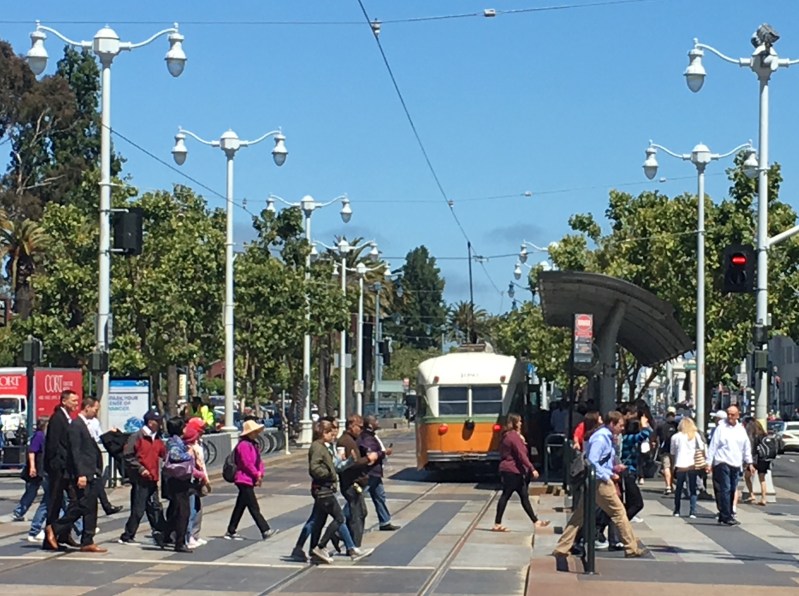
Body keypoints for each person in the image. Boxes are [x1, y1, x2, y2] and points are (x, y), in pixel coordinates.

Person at [552, 411, 647, 560]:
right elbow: (592, 461)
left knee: (579, 516)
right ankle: (631, 548)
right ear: (612, 424)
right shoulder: (601, 439)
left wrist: (613, 468)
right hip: (600, 482)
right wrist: (607, 475)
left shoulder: (605, 438)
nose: (622, 428)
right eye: (620, 425)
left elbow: (600, 461)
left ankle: (562, 547)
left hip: (596, 480)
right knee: (619, 513)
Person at [45, 396, 107, 553]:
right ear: (87, 408)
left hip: (91, 472)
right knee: (81, 505)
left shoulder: (84, 424)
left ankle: (87, 540)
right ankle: (55, 528)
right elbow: (76, 452)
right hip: (82, 473)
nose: (96, 412)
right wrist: (81, 474)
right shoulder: (75, 425)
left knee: (91, 506)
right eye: (95, 409)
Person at [307, 420, 372, 563]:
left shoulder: (326, 447)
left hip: (327, 489)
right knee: (339, 518)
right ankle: (320, 547)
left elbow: (336, 466)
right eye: (331, 432)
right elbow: (314, 468)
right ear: (324, 433)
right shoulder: (318, 448)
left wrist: (349, 461)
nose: (334, 435)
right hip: (323, 489)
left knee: (319, 521)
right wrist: (329, 474)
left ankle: (319, 550)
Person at [492, 413, 549, 532]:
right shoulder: (513, 437)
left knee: (524, 496)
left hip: (513, 470)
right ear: (514, 423)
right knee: (506, 495)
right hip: (512, 470)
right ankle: (497, 523)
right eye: (519, 421)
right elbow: (521, 455)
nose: (521, 423)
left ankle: (535, 521)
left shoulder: (509, 435)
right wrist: (532, 468)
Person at [225, 419, 279, 541]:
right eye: (254, 431)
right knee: (253, 506)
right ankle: (265, 529)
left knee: (241, 506)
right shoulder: (243, 445)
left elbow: (259, 461)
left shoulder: (254, 444)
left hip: (249, 478)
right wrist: (256, 474)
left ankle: (231, 529)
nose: (256, 433)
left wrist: (260, 473)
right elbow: (246, 463)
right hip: (243, 479)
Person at [119, 410, 166, 545]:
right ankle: (128, 535)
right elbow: (128, 455)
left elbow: (163, 453)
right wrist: (140, 469)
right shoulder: (137, 436)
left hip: (153, 477)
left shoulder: (157, 437)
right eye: (157, 421)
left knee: (155, 506)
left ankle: (159, 532)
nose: (160, 423)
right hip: (141, 478)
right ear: (150, 422)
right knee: (139, 508)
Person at [43, 390, 80, 550]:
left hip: (67, 467)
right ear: (64, 401)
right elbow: (52, 444)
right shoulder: (57, 418)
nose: (76, 404)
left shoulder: (67, 418)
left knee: (74, 500)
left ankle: (64, 533)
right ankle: (50, 536)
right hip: (59, 468)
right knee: (55, 501)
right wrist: (54, 465)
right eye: (73, 401)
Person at [706, 405, 754, 526]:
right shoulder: (721, 428)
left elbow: (746, 447)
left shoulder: (740, 429)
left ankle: (725, 514)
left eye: (733, 414)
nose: (730, 417)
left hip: (736, 463)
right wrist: (708, 463)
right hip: (722, 461)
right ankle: (726, 515)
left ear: (738, 415)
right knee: (725, 488)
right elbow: (713, 446)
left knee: (732, 489)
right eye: (728, 414)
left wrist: (749, 462)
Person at [336, 414, 378, 548]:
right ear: (351, 426)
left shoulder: (352, 440)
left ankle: (341, 535)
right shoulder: (345, 441)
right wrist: (368, 459)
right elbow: (349, 464)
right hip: (350, 482)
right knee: (357, 515)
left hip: (356, 482)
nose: (361, 430)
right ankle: (353, 545)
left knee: (359, 512)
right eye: (359, 427)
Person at [358, 415, 399, 531]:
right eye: (376, 421)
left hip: (375, 472)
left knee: (379, 496)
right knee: (358, 497)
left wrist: (383, 452)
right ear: (370, 424)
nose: (378, 422)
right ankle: (343, 520)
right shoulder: (367, 437)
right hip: (370, 473)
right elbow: (372, 454)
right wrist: (384, 453)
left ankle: (385, 522)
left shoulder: (371, 436)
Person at [162, 416, 193, 553]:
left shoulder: (177, 441)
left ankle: (165, 534)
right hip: (177, 479)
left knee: (176, 510)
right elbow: (175, 456)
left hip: (180, 478)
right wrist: (189, 454)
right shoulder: (174, 442)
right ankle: (179, 542)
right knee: (183, 511)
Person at [85, 415, 123, 516]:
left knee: (97, 480)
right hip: (90, 449)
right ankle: (106, 505)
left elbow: (99, 437)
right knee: (96, 479)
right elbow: (100, 437)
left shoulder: (92, 421)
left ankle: (106, 505)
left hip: (92, 448)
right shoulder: (89, 422)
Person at [12, 417, 48, 522]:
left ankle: (19, 512)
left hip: (40, 469)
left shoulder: (42, 436)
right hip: (38, 469)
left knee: (33, 491)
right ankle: (19, 511)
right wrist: (32, 467)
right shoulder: (39, 436)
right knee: (39, 492)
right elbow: (32, 451)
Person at [620, 414, 651, 524]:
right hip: (627, 472)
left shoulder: (625, 438)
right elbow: (645, 434)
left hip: (630, 472)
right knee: (638, 503)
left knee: (630, 501)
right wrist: (645, 426)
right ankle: (623, 522)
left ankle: (624, 524)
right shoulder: (628, 439)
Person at [670, 417, 704, 518]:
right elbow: (701, 448)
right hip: (692, 464)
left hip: (680, 464)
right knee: (693, 488)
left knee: (679, 489)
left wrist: (673, 465)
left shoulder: (676, 437)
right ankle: (692, 511)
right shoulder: (695, 435)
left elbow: (672, 452)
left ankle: (677, 510)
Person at [184, 416, 210, 548]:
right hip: (190, 480)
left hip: (198, 480)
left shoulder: (198, 443)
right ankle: (188, 536)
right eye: (200, 429)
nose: (203, 431)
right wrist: (201, 474)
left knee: (197, 508)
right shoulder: (188, 446)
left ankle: (194, 535)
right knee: (190, 509)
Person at [744, 418, 770, 507]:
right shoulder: (764, 434)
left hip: (755, 459)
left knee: (747, 477)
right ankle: (763, 498)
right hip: (764, 459)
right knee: (762, 479)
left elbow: (751, 448)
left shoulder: (752, 435)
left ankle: (752, 495)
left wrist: (748, 461)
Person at [655, 407, 679, 495]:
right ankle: (671, 485)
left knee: (666, 467)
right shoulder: (678, 425)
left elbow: (655, 437)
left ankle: (668, 486)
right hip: (676, 450)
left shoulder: (661, 425)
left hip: (664, 449)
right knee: (673, 468)